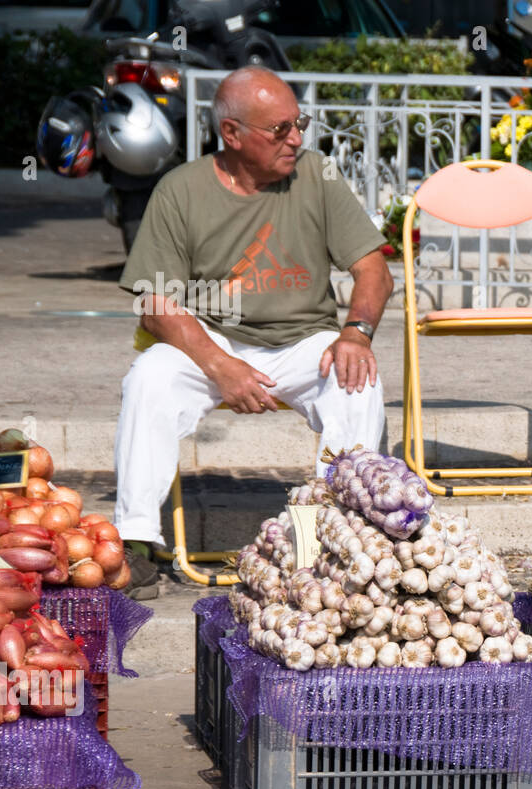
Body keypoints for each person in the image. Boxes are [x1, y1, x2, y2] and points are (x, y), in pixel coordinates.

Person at [114, 66, 393, 598]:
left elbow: (373, 269)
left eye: (299, 123)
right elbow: (156, 305)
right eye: (280, 129)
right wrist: (223, 368)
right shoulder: (180, 189)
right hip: (211, 340)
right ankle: (137, 543)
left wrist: (355, 333)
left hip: (305, 340)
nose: (297, 138)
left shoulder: (318, 174)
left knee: (358, 381)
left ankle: (330, 543)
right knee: (150, 375)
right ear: (233, 134)